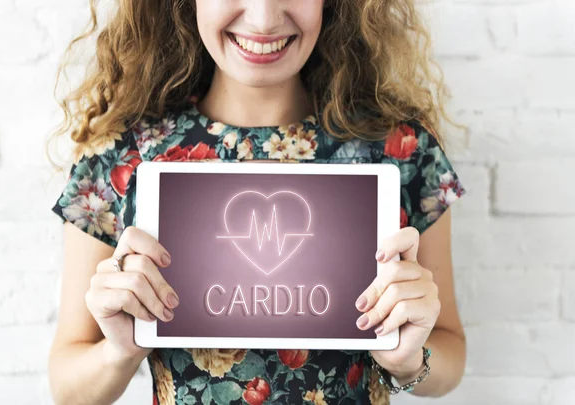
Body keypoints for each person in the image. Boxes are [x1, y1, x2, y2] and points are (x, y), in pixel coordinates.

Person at [46, 0, 467, 404]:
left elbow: (450, 356)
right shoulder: (122, 156)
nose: (264, 19)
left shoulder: (403, 150)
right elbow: (68, 388)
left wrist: (408, 359)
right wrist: (119, 350)